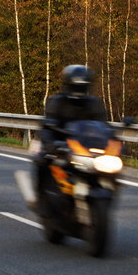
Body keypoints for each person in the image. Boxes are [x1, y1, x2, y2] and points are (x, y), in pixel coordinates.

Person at [34, 64, 108, 202]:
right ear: (68, 85)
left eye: (82, 87)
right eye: (76, 87)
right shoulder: (57, 102)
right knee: (41, 159)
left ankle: (102, 196)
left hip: (85, 147)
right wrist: (50, 143)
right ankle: (41, 196)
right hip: (60, 144)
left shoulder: (94, 103)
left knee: (111, 170)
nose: (78, 91)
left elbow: (104, 127)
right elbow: (47, 126)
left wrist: (115, 143)